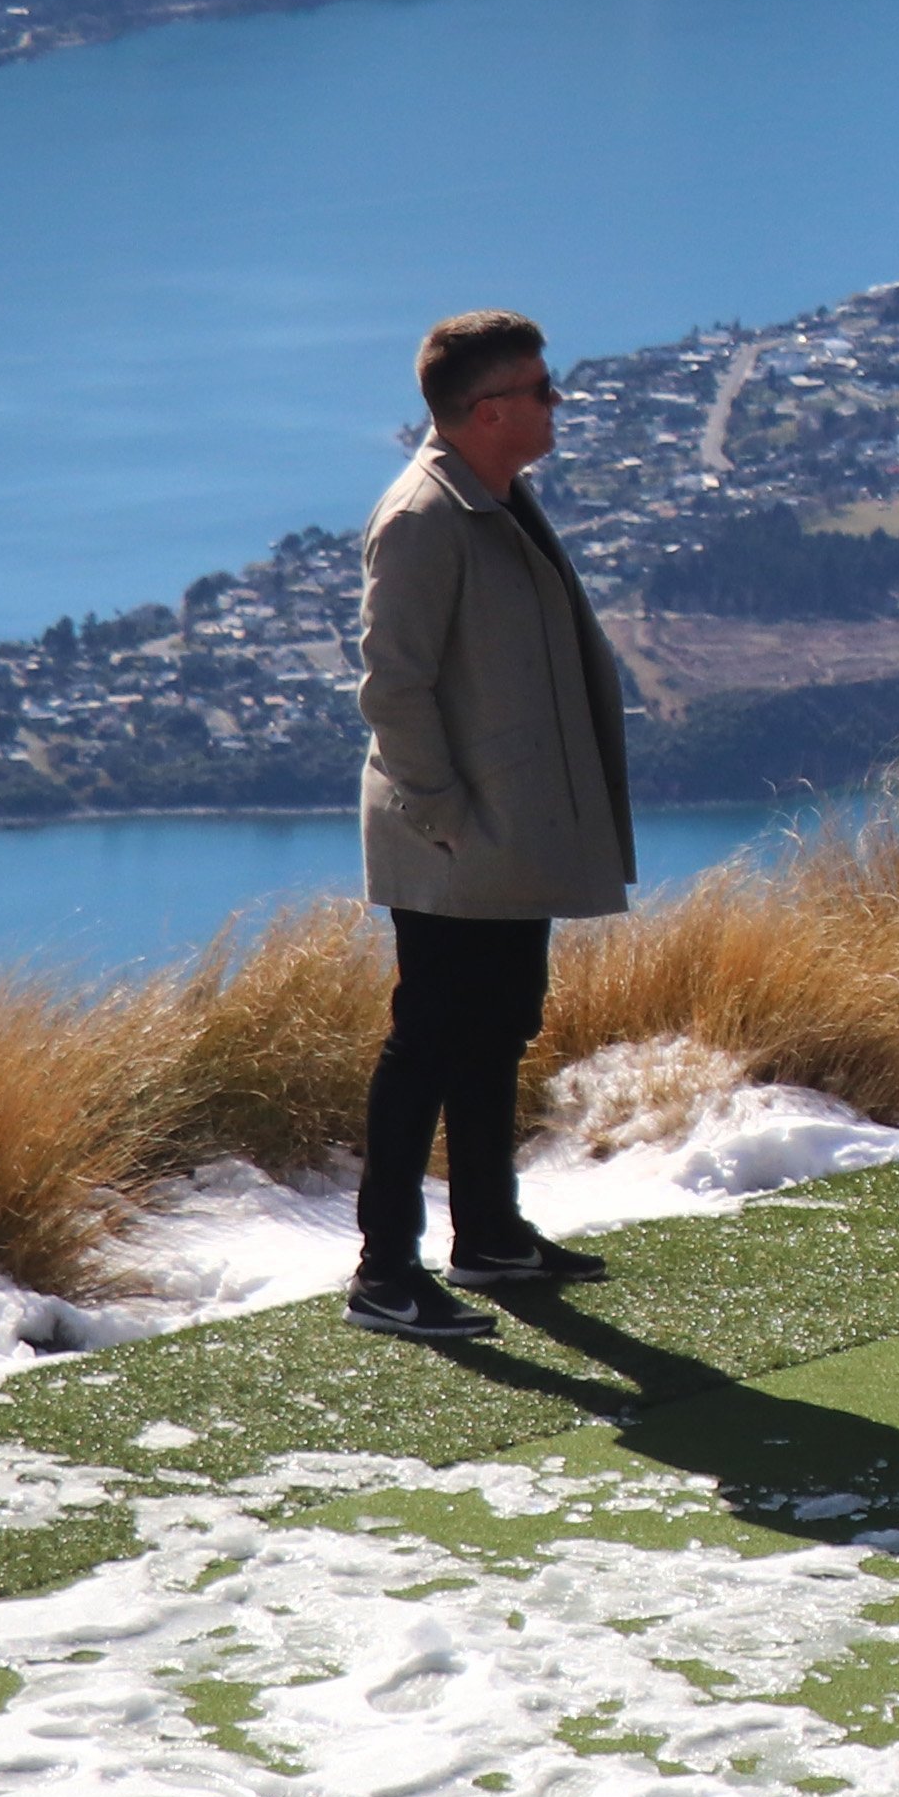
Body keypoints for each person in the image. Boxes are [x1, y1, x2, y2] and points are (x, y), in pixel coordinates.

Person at [348, 308, 637, 1344]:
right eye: (540, 388)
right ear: (485, 410)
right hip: (456, 843)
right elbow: (393, 688)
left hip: (502, 834)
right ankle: (385, 1269)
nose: (556, 401)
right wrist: (447, 820)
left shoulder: (495, 496)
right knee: (425, 1042)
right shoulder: (426, 516)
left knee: (497, 1027)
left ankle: (488, 1233)